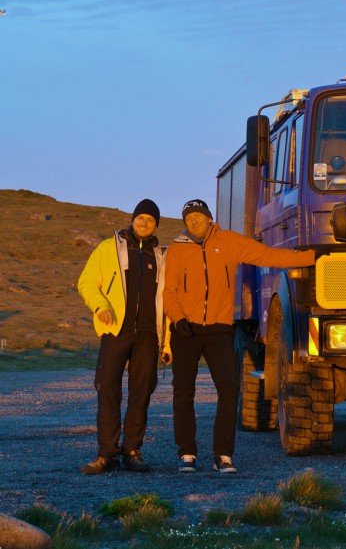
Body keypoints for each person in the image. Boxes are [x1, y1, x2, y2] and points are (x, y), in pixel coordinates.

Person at [163, 199, 316, 473]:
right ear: (185, 222)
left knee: (229, 390)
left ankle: (223, 455)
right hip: (185, 330)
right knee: (183, 393)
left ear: (209, 218)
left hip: (220, 330)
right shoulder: (176, 250)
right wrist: (178, 318)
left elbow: (267, 256)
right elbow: (169, 291)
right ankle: (186, 453)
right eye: (189, 217)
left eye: (199, 215)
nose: (195, 221)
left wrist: (309, 258)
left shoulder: (229, 242)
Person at [77, 199, 168, 474]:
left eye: (150, 220)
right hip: (116, 330)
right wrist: (101, 306)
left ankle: (132, 452)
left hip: (149, 335)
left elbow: (168, 299)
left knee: (141, 394)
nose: (144, 223)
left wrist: (167, 342)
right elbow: (87, 281)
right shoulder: (109, 248)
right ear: (132, 219)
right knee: (108, 389)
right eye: (140, 218)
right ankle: (107, 454)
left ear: (156, 225)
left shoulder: (162, 255)